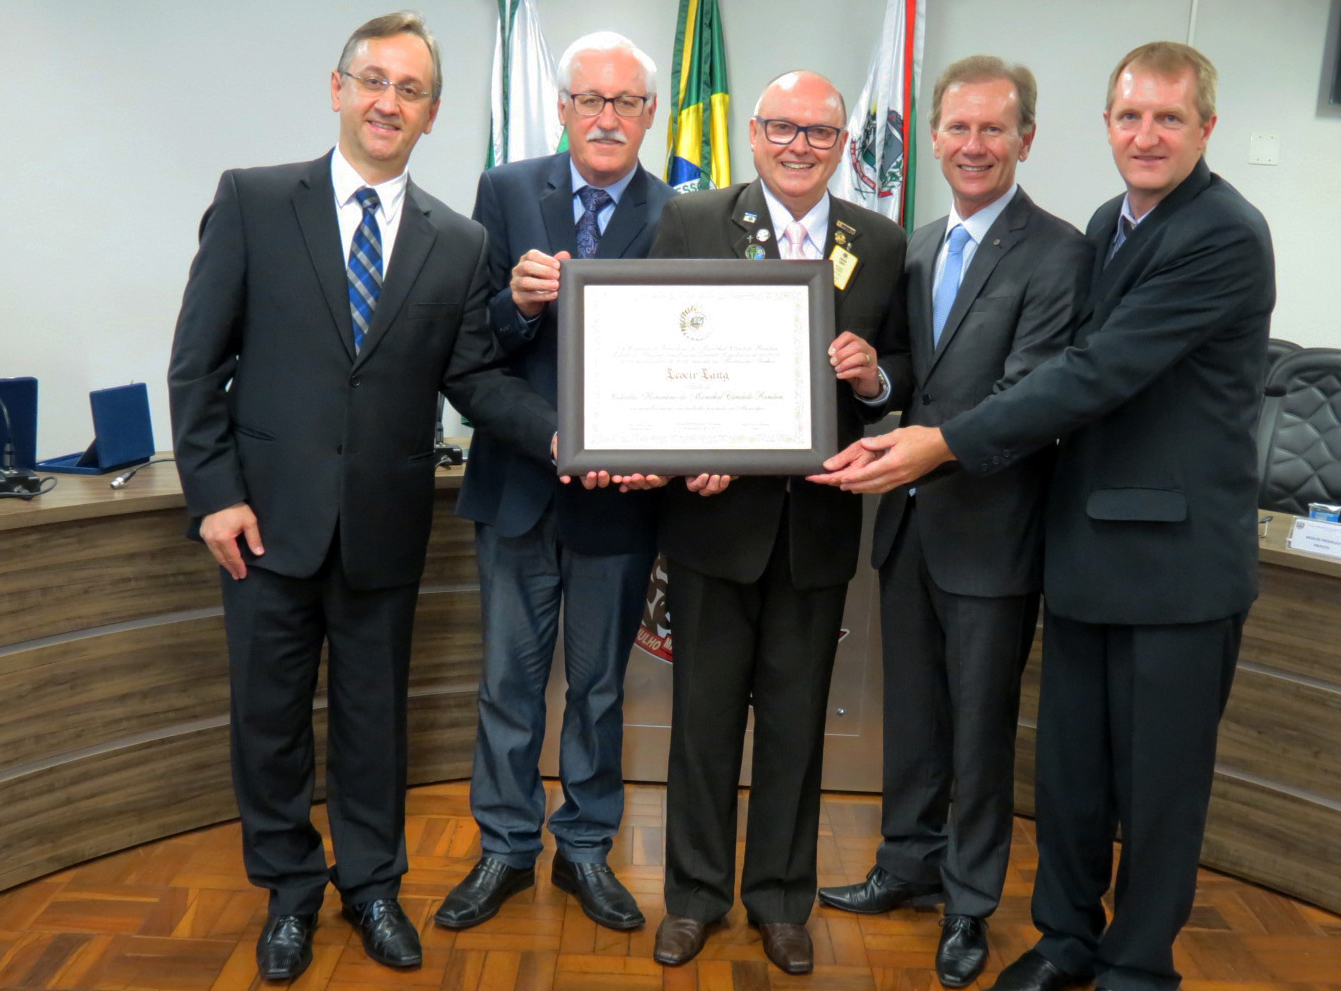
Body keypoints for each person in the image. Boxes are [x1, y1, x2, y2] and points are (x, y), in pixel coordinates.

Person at [811, 41, 1275, 991]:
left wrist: (936, 443)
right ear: (1106, 125)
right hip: (1087, 549)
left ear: (1205, 129)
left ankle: (1135, 967)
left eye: (1168, 118)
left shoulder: (1222, 231)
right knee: (1068, 775)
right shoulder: (1113, 223)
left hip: (1175, 565)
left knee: (1155, 789)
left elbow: (1090, 375)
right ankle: (1064, 938)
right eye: (1131, 116)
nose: (1145, 134)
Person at [167, 12, 553, 982]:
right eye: (373, 80)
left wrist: (561, 437)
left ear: (430, 115)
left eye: (409, 89)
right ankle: (290, 892)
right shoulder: (253, 202)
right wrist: (213, 495)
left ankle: (372, 885)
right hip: (260, 527)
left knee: (374, 722)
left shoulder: (458, 243)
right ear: (337, 89)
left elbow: (474, 379)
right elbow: (194, 363)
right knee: (268, 721)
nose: (388, 101)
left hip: (383, 531)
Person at [814, 55, 1091, 989]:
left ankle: (970, 903)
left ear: (1024, 140)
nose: (972, 146)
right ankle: (906, 864)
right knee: (915, 719)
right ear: (930, 136)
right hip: (908, 527)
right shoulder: (917, 242)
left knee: (979, 729)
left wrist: (927, 443)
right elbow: (904, 373)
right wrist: (870, 382)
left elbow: (1032, 396)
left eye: (991, 130)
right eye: (956, 128)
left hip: (993, 530)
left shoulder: (1059, 253)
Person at [645, 70, 906, 976]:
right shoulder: (692, 221)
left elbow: (898, 372)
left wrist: (871, 375)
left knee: (796, 727)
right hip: (713, 524)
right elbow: (655, 350)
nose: (800, 145)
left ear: (843, 145)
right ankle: (691, 897)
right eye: (783, 128)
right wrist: (687, 446)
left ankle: (782, 899)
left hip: (815, 529)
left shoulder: (877, 239)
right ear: (752, 134)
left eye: (820, 133)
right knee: (702, 724)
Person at [433, 31, 675, 937]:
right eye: (590, 100)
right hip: (518, 484)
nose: (606, 118)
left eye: (625, 102)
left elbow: (678, 368)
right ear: (565, 108)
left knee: (601, 687)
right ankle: (503, 845)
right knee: (507, 683)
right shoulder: (504, 192)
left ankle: (584, 848)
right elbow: (470, 345)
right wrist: (516, 301)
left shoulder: (681, 214)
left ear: (648, 113)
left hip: (622, 495)